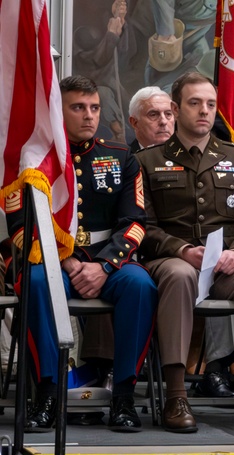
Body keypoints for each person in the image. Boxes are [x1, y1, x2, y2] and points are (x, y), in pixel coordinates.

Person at [5, 75, 157, 432]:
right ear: (59, 110)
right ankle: (47, 394)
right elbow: (20, 227)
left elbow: (135, 223)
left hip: (109, 262)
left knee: (141, 285)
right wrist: (66, 259)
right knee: (36, 283)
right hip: (53, 262)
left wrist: (105, 266)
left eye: (94, 108)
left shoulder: (121, 157)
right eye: (78, 107)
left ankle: (122, 396)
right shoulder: (32, 161)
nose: (89, 116)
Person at [136, 71, 234, 433]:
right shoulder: (148, 160)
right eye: (194, 103)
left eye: (211, 104)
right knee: (179, 273)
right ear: (175, 108)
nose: (204, 111)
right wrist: (182, 249)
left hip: (225, 267)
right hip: (173, 260)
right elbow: (144, 227)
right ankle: (175, 394)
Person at [128, 87, 175, 152]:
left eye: (168, 114)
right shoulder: (124, 159)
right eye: (153, 115)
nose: (163, 122)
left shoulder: (189, 155)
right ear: (135, 123)